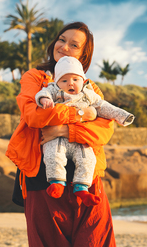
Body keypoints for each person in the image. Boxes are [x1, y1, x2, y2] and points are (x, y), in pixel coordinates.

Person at [6, 22, 120, 247]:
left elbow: (104, 131)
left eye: (74, 44)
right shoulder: (35, 78)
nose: (64, 46)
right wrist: (84, 114)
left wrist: (64, 131)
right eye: (61, 39)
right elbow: (35, 115)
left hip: (88, 183)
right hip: (41, 182)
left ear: (83, 56)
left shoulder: (92, 89)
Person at [35, 56, 134, 207]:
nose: (70, 83)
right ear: (57, 82)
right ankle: (57, 182)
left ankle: (82, 187)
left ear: (83, 80)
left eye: (75, 79)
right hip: (57, 140)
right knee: (52, 155)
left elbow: (104, 106)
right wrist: (44, 100)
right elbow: (43, 93)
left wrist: (122, 116)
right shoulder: (54, 90)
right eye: (64, 80)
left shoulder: (88, 94)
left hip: (80, 138)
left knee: (88, 159)